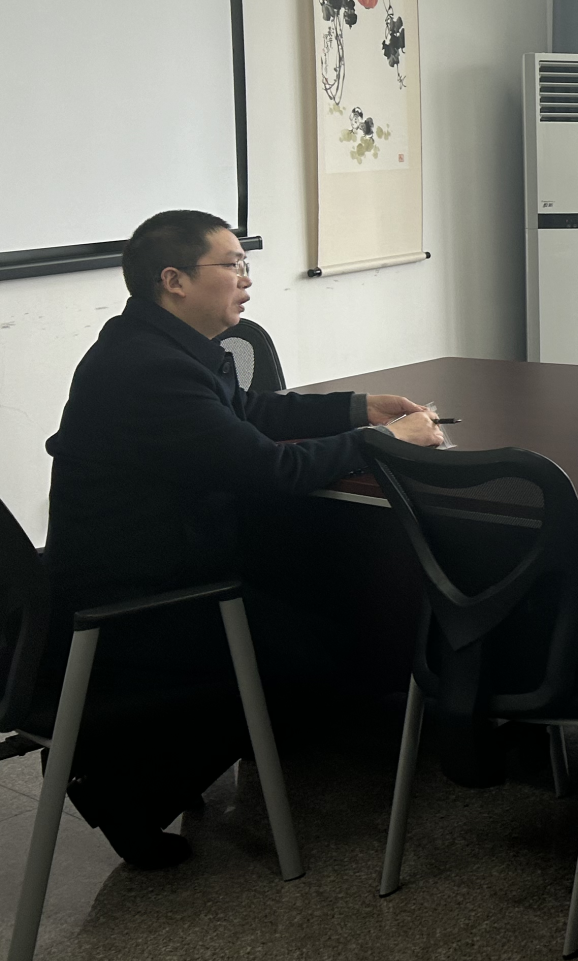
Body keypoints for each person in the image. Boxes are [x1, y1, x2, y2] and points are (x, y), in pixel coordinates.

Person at [42, 209, 442, 867]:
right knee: (334, 644)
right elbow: (270, 469)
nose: (247, 279)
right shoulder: (150, 368)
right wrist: (381, 441)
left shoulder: (160, 344)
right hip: (143, 598)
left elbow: (247, 412)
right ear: (173, 280)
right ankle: (126, 789)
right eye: (232, 265)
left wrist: (357, 408)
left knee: (330, 600)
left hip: (175, 559)